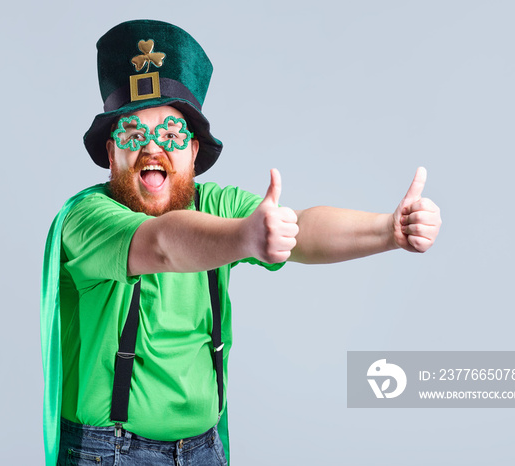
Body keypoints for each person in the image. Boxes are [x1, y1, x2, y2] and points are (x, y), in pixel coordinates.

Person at [40, 19, 441, 466]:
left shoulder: (216, 203)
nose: (152, 149)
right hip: (111, 454)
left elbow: (301, 230)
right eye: (133, 135)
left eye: (171, 135)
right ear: (111, 153)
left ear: (193, 151)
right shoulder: (86, 219)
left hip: (204, 449)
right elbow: (161, 246)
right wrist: (246, 237)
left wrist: (388, 230)